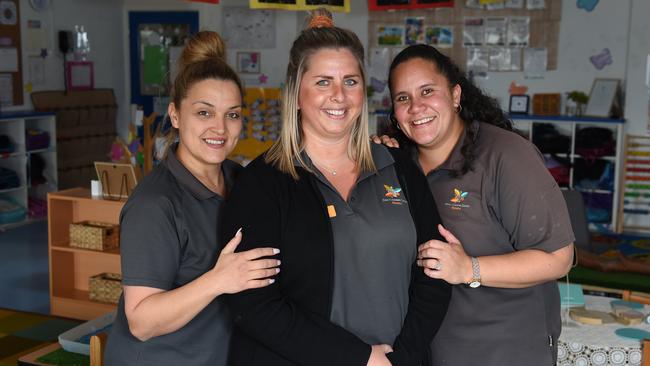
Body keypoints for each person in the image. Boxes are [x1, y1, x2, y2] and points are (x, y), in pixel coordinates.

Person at [220, 10, 451, 366]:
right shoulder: (263, 185)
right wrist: (359, 358)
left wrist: (400, 358)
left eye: (351, 81)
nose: (339, 96)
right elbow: (255, 306)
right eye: (323, 82)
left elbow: (435, 272)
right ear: (296, 94)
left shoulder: (398, 166)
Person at [379, 44, 575, 365]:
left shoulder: (505, 155)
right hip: (425, 349)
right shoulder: (396, 162)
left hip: (504, 349)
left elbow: (557, 258)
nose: (416, 107)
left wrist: (468, 268)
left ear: (455, 95)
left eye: (427, 91)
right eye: (403, 98)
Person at [104, 31, 280, 366]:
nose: (220, 128)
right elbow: (141, 321)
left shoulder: (241, 180)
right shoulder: (154, 205)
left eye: (232, 114)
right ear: (174, 115)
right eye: (204, 113)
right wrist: (219, 280)